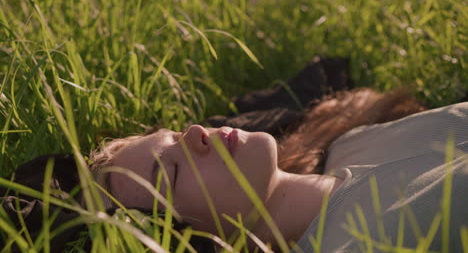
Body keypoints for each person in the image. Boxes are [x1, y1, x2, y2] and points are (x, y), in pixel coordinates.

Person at [90, 88, 468, 252]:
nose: (194, 133)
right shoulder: (357, 246)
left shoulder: (349, 143)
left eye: (173, 136)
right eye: (170, 172)